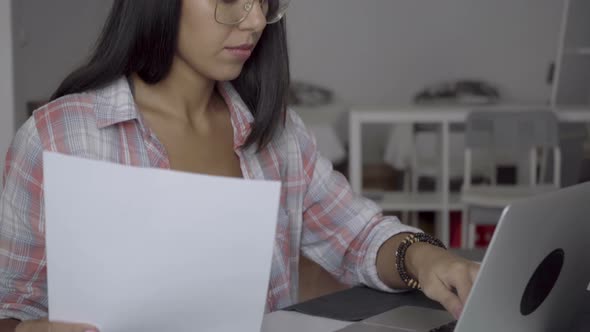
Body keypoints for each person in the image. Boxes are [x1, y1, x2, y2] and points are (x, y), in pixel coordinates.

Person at [0, 1, 480, 331]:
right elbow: (11, 304)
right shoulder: (57, 137)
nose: (254, 21)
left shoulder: (276, 135)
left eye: (264, 0)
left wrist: (425, 258)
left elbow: (357, 236)